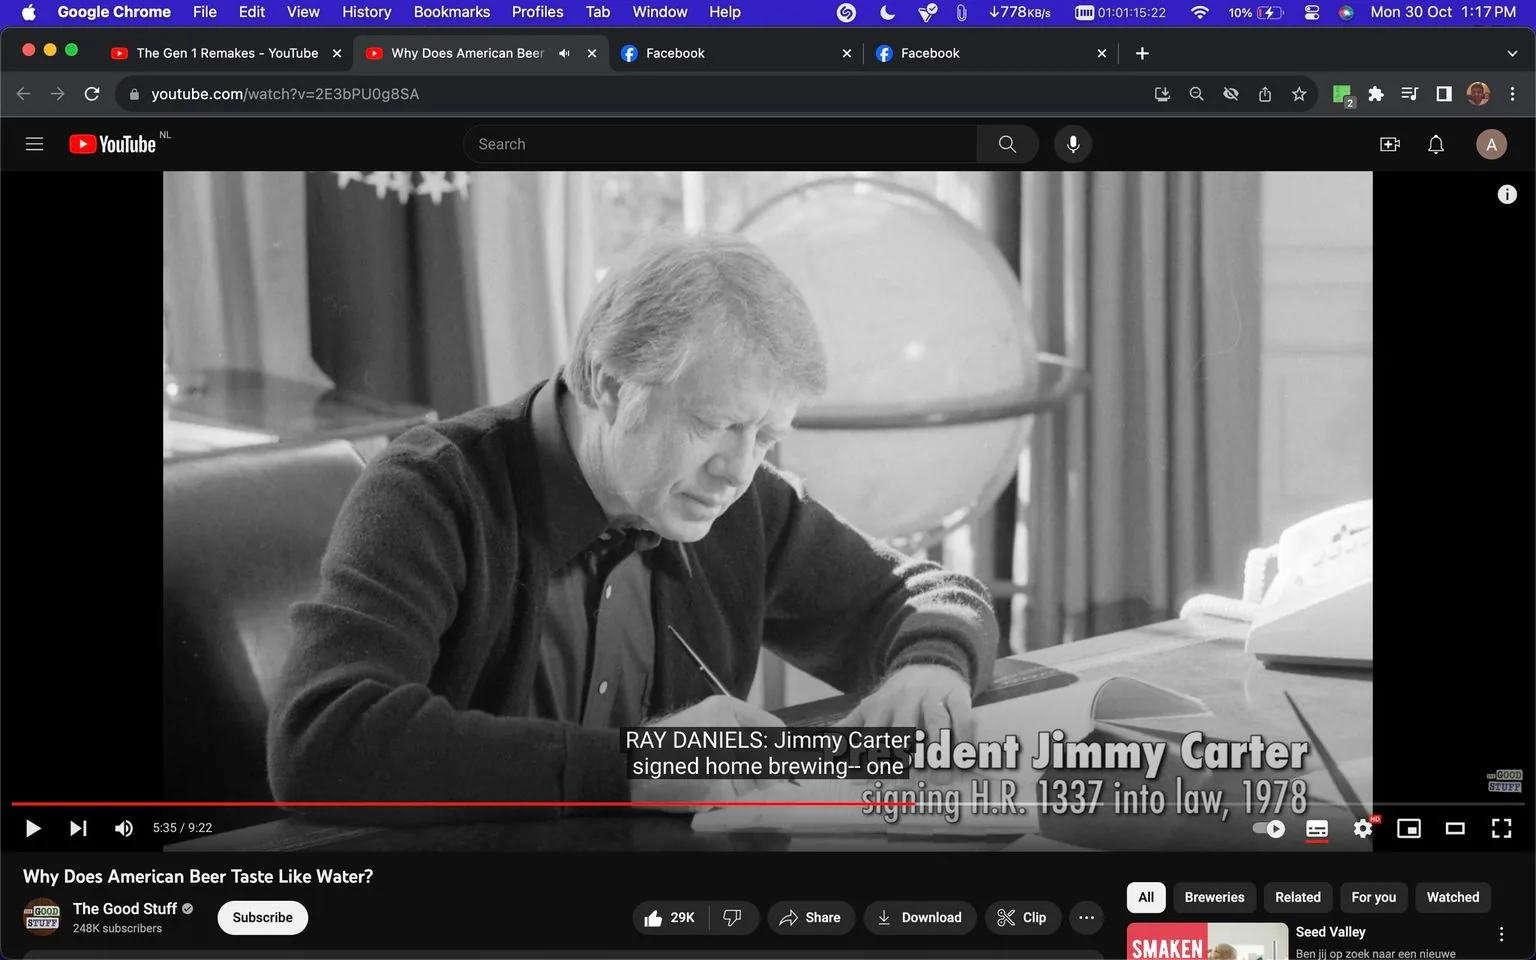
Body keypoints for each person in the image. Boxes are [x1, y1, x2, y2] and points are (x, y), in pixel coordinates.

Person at [267, 229, 1000, 823]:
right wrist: (636, 767)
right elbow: (323, 740)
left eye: (766, 437)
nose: (738, 469)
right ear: (611, 385)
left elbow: (928, 595)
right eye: (715, 425)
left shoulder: (740, 501)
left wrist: (930, 666)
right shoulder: (430, 491)